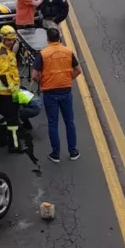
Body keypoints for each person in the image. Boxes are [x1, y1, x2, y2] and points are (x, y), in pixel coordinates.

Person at [31, 26, 82, 163]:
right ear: (59, 38)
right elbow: (78, 70)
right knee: (69, 122)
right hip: (65, 91)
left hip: (50, 92)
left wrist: (42, 82)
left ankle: (56, 154)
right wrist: (67, 78)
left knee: (53, 123)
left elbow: (34, 75)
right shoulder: (68, 51)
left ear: (47, 39)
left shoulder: (43, 54)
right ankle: (73, 151)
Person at [0, 26, 25, 153]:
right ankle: (15, 146)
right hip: (7, 93)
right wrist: (13, 90)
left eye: (12, 40)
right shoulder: (3, 54)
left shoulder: (4, 50)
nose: (11, 42)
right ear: (3, 39)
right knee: (13, 121)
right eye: (8, 40)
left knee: (3, 118)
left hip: (3, 93)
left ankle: (2, 141)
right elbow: (4, 75)